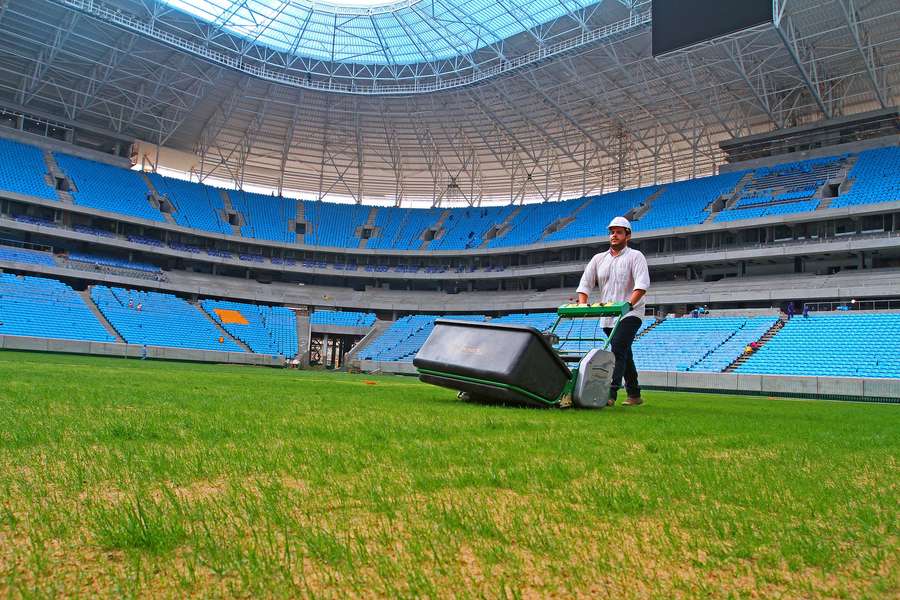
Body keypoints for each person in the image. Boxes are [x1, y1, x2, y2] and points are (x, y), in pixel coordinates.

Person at [576, 216, 650, 407]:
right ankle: (634, 395)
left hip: (630, 313)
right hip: (608, 316)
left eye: (618, 232)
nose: (614, 236)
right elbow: (585, 284)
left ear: (628, 235)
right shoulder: (598, 259)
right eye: (612, 232)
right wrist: (583, 304)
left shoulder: (636, 256)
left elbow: (642, 285)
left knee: (617, 349)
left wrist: (629, 304)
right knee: (624, 353)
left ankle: (610, 393)